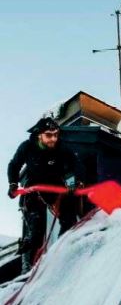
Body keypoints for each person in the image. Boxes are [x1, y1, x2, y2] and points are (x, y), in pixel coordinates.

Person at [7, 117, 85, 273]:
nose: (53, 139)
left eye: (56, 134)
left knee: (69, 219)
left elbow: (73, 166)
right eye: (49, 135)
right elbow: (14, 165)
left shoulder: (61, 148)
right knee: (36, 230)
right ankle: (27, 266)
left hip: (56, 187)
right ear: (39, 135)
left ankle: (60, 253)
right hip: (34, 189)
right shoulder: (27, 147)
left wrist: (72, 182)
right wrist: (13, 184)